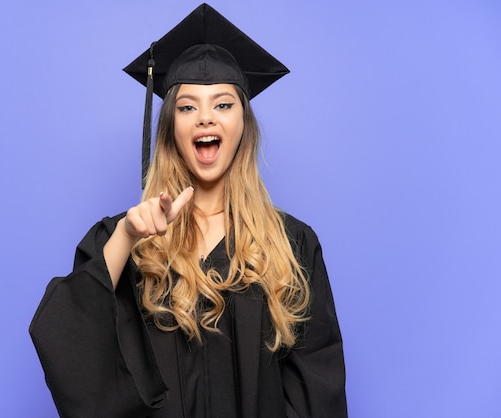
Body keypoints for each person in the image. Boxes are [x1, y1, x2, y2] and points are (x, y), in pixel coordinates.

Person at [30, 4, 347, 417]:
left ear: (243, 126)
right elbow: (67, 338)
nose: (204, 118)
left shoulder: (293, 244)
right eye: (186, 107)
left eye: (222, 104)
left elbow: (316, 394)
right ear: (171, 129)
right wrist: (128, 235)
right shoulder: (126, 239)